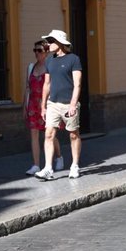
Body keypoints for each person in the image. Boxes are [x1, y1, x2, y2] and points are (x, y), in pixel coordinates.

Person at [34, 29, 82, 180]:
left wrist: (73, 105)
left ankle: (74, 165)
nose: (48, 44)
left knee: (73, 135)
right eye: (47, 41)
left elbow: (78, 84)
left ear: (60, 43)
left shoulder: (73, 59)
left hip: (69, 103)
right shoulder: (49, 61)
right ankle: (48, 168)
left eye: (51, 41)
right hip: (53, 104)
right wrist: (43, 106)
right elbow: (47, 84)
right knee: (48, 134)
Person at [23, 39, 63, 175]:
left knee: (49, 134)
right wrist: (25, 106)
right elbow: (27, 89)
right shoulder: (30, 68)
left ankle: (58, 157)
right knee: (34, 134)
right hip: (33, 105)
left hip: (48, 105)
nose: (36, 53)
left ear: (46, 52)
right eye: (35, 50)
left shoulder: (52, 67)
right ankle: (36, 165)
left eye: (39, 50)